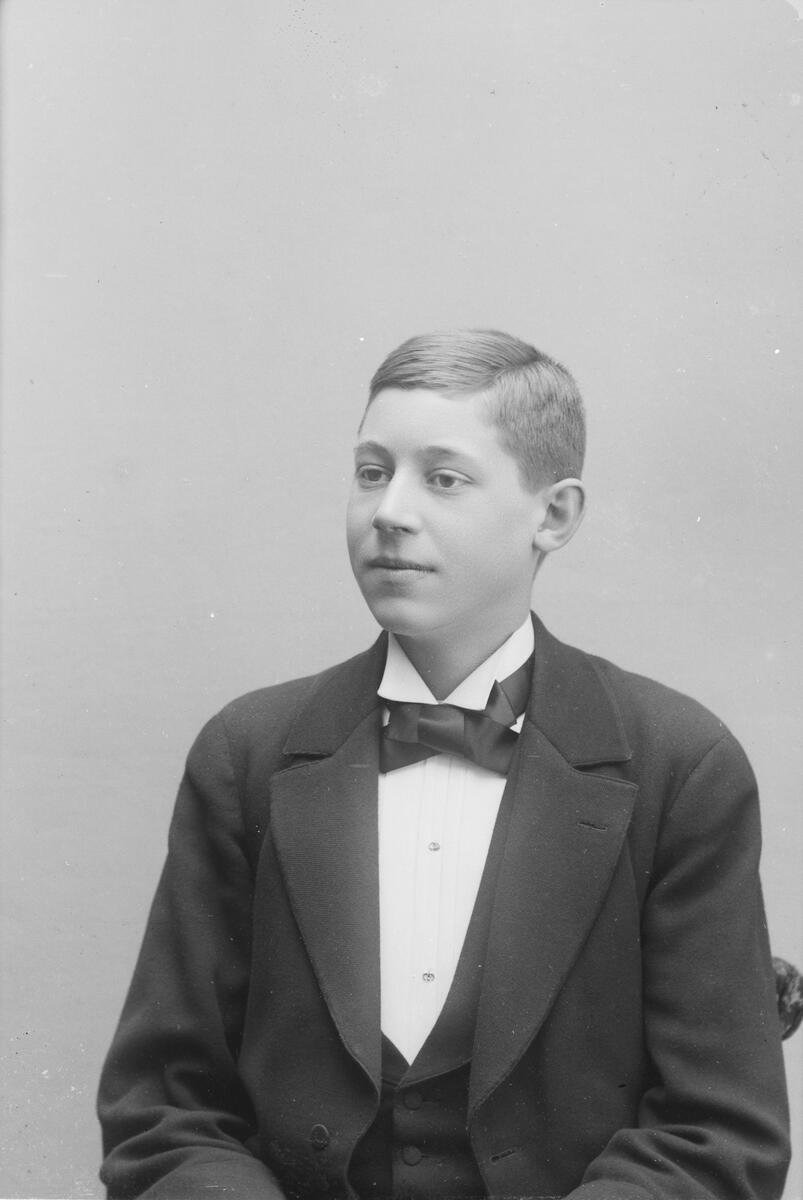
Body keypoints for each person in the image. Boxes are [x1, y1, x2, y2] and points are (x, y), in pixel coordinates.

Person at [98, 330, 790, 1200]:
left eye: (444, 478)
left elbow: (717, 1132)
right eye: (371, 471)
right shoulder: (248, 753)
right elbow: (164, 1105)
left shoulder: (678, 767)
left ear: (554, 515)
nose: (389, 511)